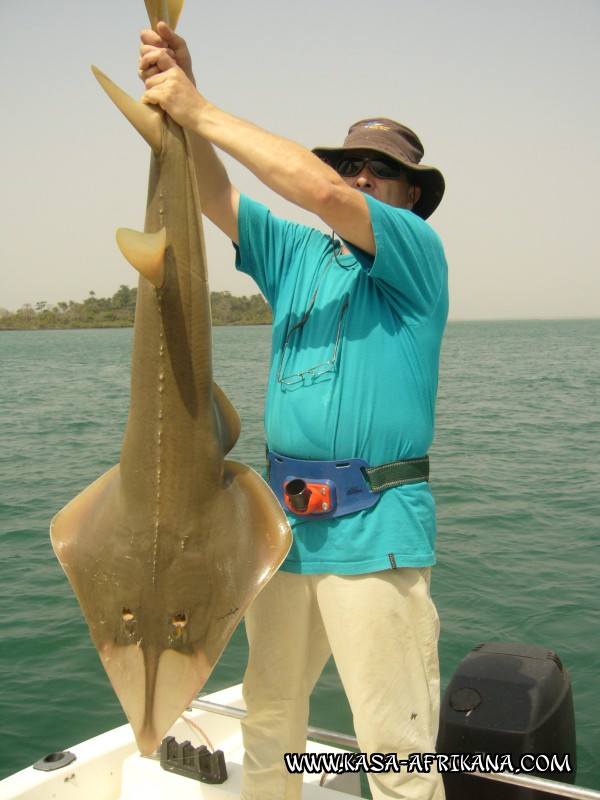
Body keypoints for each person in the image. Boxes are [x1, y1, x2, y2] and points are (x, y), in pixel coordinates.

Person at [139, 22, 448, 800]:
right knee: (270, 716)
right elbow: (212, 194)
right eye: (355, 164)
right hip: (282, 532)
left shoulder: (413, 254)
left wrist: (200, 107)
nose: (365, 178)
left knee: (394, 749)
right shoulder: (301, 257)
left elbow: (321, 192)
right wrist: (182, 94)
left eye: (385, 171)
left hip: (374, 531)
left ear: (413, 195)